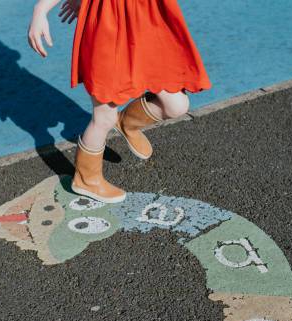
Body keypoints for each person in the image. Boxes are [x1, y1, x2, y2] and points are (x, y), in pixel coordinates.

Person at [28, 0, 211, 203]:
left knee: (176, 105)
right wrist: (40, 10)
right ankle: (86, 180)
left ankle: (127, 123)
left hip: (146, 23)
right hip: (109, 27)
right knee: (104, 117)